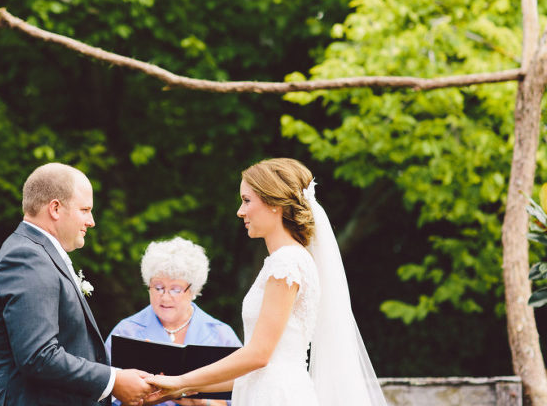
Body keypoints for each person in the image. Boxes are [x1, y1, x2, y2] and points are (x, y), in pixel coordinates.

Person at [145, 158, 388, 406]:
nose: (240, 211)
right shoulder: (283, 262)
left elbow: (258, 355)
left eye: (247, 200)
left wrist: (180, 380)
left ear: (274, 203)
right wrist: (183, 390)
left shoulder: (288, 263)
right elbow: (256, 370)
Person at [0, 162, 154, 406]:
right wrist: (114, 380)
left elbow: (70, 345)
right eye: (85, 210)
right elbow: (38, 356)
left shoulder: (38, 254)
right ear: (55, 208)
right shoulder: (26, 258)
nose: (92, 221)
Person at [104, 237, 243, 406]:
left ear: (193, 290)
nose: (165, 296)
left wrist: (197, 401)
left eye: (175, 289)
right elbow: (103, 396)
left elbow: (243, 398)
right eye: (158, 287)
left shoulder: (221, 335)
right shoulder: (126, 331)